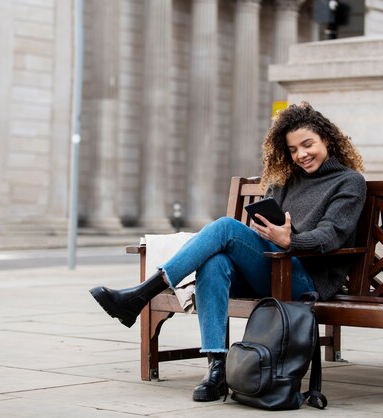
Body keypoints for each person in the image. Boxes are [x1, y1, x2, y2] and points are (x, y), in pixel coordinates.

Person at [89, 101, 367, 402]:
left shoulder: (349, 182)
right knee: (215, 262)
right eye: (292, 149)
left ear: (327, 139)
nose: (301, 155)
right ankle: (216, 369)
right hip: (271, 267)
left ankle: (141, 295)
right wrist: (274, 237)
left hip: (306, 279)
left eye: (307, 144)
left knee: (224, 227)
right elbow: (261, 231)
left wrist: (290, 241)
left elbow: (331, 236)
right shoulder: (285, 181)